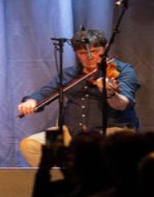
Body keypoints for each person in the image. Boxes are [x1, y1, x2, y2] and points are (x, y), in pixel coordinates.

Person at [16, 29, 140, 167]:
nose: (89, 57)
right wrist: (31, 101)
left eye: (94, 51)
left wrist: (110, 93)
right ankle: (64, 181)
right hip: (71, 133)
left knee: (95, 155)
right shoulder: (70, 74)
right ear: (76, 54)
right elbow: (44, 92)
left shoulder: (123, 71)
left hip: (112, 132)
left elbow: (123, 104)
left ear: (105, 49)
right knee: (31, 145)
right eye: (82, 53)